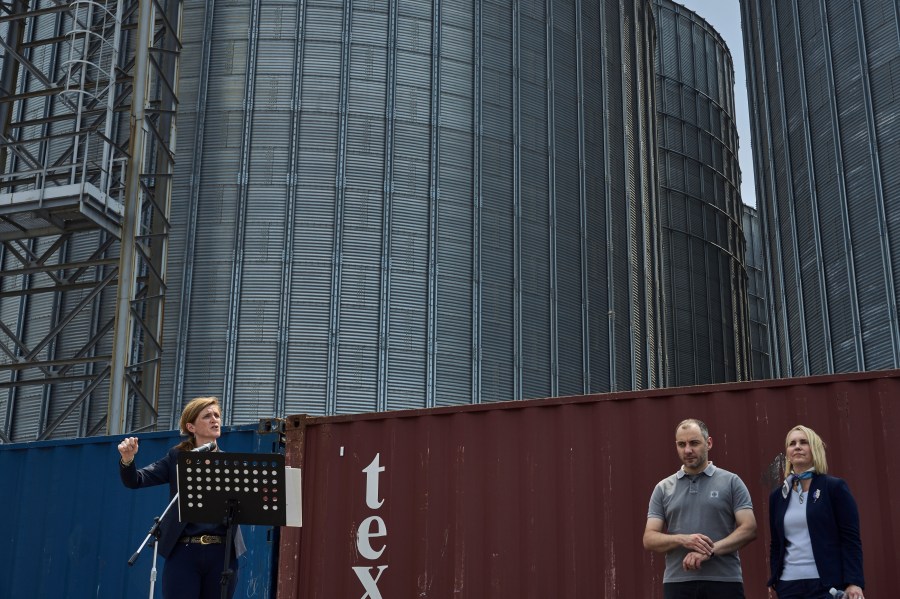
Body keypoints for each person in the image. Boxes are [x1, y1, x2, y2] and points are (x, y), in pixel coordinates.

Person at [118, 396, 246, 599]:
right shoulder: (177, 458)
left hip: (222, 553)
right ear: (191, 426)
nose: (215, 420)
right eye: (207, 416)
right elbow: (136, 480)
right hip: (184, 551)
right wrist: (127, 460)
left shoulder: (229, 464)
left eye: (217, 415)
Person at [643, 418, 758, 599]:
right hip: (677, 583)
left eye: (694, 443)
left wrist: (709, 551)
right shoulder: (663, 488)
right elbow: (649, 538)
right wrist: (683, 540)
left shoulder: (731, 482)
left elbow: (749, 529)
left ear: (709, 443)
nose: (687, 450)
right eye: (681, 444)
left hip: (724, 581)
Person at [768, 425, 865, 599]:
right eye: (792, 443)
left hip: (826, 585)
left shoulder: (834, 488)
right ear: (788, 452)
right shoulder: (778, 496)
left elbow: (850, 539)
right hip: (788, 586)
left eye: (803, 442)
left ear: (815, 449)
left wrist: (854, 581)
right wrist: (775, 577)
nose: (797, 446)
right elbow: (776, 543)